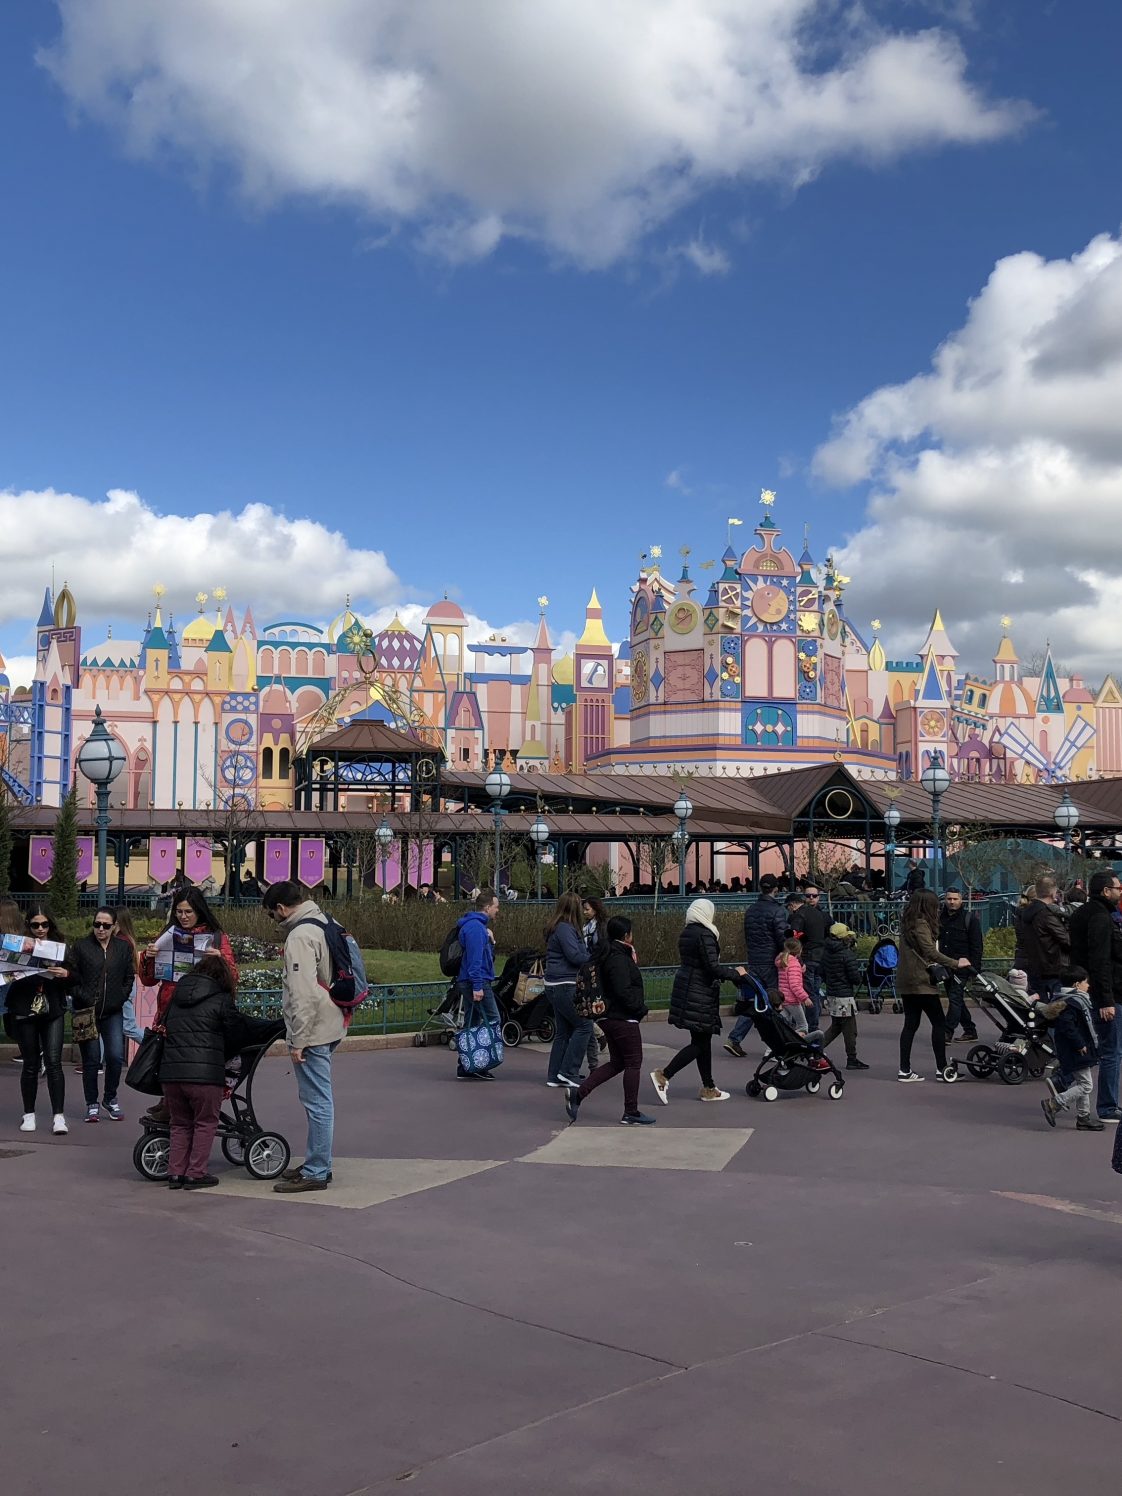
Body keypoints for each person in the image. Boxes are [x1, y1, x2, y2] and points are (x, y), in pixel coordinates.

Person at [262, 880, 345, 1193]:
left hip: (314, 1029)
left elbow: (303, 994)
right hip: (332, 1019)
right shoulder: (326, 921)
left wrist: (298, 1040)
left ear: (281, 908)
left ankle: (317, 1171)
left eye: (271, 914)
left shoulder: (299, 936)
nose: (273, 920)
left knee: (317, 1102)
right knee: (318, 1100)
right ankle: (318, 1162)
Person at [652, 899, 746, 1104]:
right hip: (700, 991)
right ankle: (664, 1074)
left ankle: (709, 1087)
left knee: (702, 1040)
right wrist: (736, 974)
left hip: (689, 988)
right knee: (700, 1043)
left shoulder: (687, 932)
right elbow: (712, 967)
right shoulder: (705, 934)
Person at [161, 953, 243, 1188]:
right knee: (205, 1122)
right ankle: (196, 1173)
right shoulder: (221, 999)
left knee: (179, 1123)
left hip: (171, 1074)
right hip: (205, 1075)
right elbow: (235, 1034)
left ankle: (175, 1173)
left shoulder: (176, 998)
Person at [564, 916, 654, 1126]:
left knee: (618, 1062)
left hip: (608, 1017)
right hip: (622, 1017)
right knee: (633, 1062)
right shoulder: (618, 957)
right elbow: (622, 990)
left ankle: (579, 1093)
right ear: (626, 935)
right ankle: (631, 1111)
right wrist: (639, 1008)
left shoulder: (607, 953)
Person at [67, 906, 138, 1123]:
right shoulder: (81, 947)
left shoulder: (122, 948)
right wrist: (82, 996)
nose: (100, 929)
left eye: (106, 925)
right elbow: (71, 978)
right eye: (97, 924)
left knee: (115, 1056)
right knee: (91, 1060)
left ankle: (110, 1098)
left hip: (112, 1011)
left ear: (114, 927)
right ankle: (92, 1103)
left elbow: (129, 977)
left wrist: (120, 997)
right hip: (86, 1011)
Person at [7, 907, 70, 1134]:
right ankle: (29, 1114)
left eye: (45, 924)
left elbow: (75, 975)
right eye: (35, 925)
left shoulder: (61, 947)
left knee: (54, 1062)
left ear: (50, 925)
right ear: (28, 925)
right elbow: (8, 973)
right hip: (25, 1008)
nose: (40, 929)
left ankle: (59, 1116)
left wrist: (65, 974)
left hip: (52, 1009)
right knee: (30, 1063)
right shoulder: (18, 946)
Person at [897, 890, 969, 1082]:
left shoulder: (907, 923)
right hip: (921, 981)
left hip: (907, 980)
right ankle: (942, 1068)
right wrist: (955, 963)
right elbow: (930, 951)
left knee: (910, 1024)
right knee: (939, 1023)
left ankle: (904, 1069)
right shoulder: (921, 924)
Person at [1068, 871, 1122, 1124]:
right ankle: (1108, 1107)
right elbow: (1101, 961)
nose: (1120, 892)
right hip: (1106, 992)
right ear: (1106, 891)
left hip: (1087, 988)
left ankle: (1061, 1081)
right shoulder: (1101, 917)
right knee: (1111, 1051)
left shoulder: (1083, 913)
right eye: (1118, 888)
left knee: (1091, 1043)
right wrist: (1106, 1000)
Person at [726, 873, 787, 1056]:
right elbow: (782, 936)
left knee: (757, 1000)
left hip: (754, 959)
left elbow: (748, 935)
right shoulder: (777, 910)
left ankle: (735, 1038)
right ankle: (778, 1043)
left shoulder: (751, 910)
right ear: (776, 889)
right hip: (770, 960)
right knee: (774, 1000)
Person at [1038, 967, 1102, 1130]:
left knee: (1082, 1082)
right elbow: (1068, 1027)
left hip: (1074, 1049)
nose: (1088, 985)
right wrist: (1079, 1044)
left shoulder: (1067, 1000)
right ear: (1076, 984)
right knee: (1086, 1085)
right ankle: (1054, 1103)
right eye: (1085, 982)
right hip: (1076, 1050)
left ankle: (1083, 1117)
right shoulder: (1073, 1003)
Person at [543, 892, 592, 1088]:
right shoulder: (566, 929)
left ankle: (555, 1074)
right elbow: (574, 956)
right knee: (584, 1025)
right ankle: (569, 1071)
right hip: (565, 983)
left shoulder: (558, 927)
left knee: (564, 1031)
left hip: (555, 983)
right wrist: (593, 958)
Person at [455, 888, 502, 1081]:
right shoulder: (476, 928)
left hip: (471, 979)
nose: (498, 910)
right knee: (493, 1019)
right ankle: (480, 1061)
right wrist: (477, 986)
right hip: (477, 980)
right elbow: (475, 960)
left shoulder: (476, 926)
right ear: (488, 907)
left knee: (472, 1021)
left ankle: (468, 1064)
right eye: (496, 907)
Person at [819, 923, 869, 1070]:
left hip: (832, 993)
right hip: (845, 996)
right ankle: (851, 1058)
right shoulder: (846, 954)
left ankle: (815, 1048)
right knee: (850, 1029)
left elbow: (821, 972)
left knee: (836, 1026)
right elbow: (855, 978)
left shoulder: (826, 953)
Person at [1014, 875, 1071, 1000]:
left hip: (1035, 967)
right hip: (1052, 968)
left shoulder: (1027, 913)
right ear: (1052, 893)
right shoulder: (1045, 914)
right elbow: (1066, 940)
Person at [939, 889, 982, 1042]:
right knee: (956, 999)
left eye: (955, 899)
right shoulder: (940, 918)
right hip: (946, 966)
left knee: (955, 997)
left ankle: (947, 1031)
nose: (952, 902)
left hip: (963, 967)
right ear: (945, 900)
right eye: (949, 899)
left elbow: (977, 946)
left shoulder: (969, 919)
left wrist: (974, 969)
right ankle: (970, 1030)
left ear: (961, 900)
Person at [791, 883, 828, 1027]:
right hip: (818, 956)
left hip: (810, 956)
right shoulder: (820, 914)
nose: (811, 898)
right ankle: (812, 1020)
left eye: (814, 896)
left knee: (809, 991)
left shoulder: (802, 915)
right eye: (808, 896)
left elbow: (795, 936)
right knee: (814, 990)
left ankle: (811, 1023)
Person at [582, 897, 610, 1074]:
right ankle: (600, 1034)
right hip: (587, 968)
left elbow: (602, 948)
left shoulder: (600, 927)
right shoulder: (587, 926)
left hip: (595, 969)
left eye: (587, 909)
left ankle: (601, 1034)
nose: (585, 912)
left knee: (591, 1008)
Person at [776, 937, 813, 1033]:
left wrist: (799, 969)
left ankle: (776, 1042)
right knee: (803, 1026)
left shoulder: (783, 961)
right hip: (792, 1000)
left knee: (783, 1024)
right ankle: (798, 1041)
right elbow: (795, 985)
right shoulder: (794, 964)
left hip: (783, 998)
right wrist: (805, 998)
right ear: (799, 950)